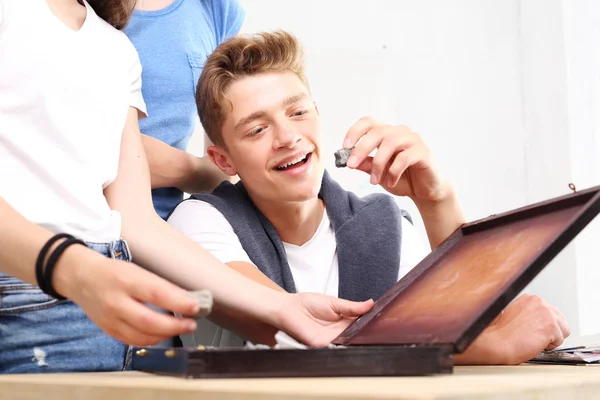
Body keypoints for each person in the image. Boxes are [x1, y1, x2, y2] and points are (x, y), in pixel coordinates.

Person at [0, 1, 373, 374]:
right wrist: (77, 272)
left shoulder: (115, 49)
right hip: (33, 291)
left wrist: (281, 305)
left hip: (128, 302)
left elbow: (135, 222)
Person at [167, 30, 571, 364]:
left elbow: (473, 320)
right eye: (257, 130)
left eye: (298, 113)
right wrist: (485, 350)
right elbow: (286, 334)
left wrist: (436, 198)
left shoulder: (384, 225)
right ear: (223, 159)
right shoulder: (197, 223)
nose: (287, 137)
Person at [124, 0, 244, 220]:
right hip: (75, 222)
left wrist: (184, 169)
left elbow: (233, 171)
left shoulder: (216, 8)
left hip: (166, 226)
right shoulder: (78, 10)